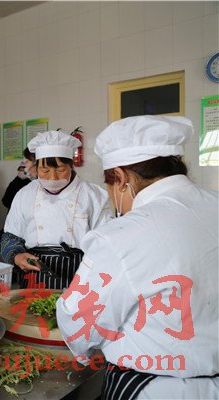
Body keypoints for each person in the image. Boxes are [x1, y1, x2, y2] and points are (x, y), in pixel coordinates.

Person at [56, 115, 219, 399]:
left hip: (154, 388)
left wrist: (84, 351)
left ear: (121, 178)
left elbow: (79, 322)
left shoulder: (122, 235)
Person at [1, 130, 112, 289]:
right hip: (35, 272)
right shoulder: (24, 194)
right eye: (45, 170)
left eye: (60, 169)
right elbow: (10, 235)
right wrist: (16, 256)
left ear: (71, 166)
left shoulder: (94, 195)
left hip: (80, 274)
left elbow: (105, 242)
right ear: (36, 168)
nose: (53, 177)